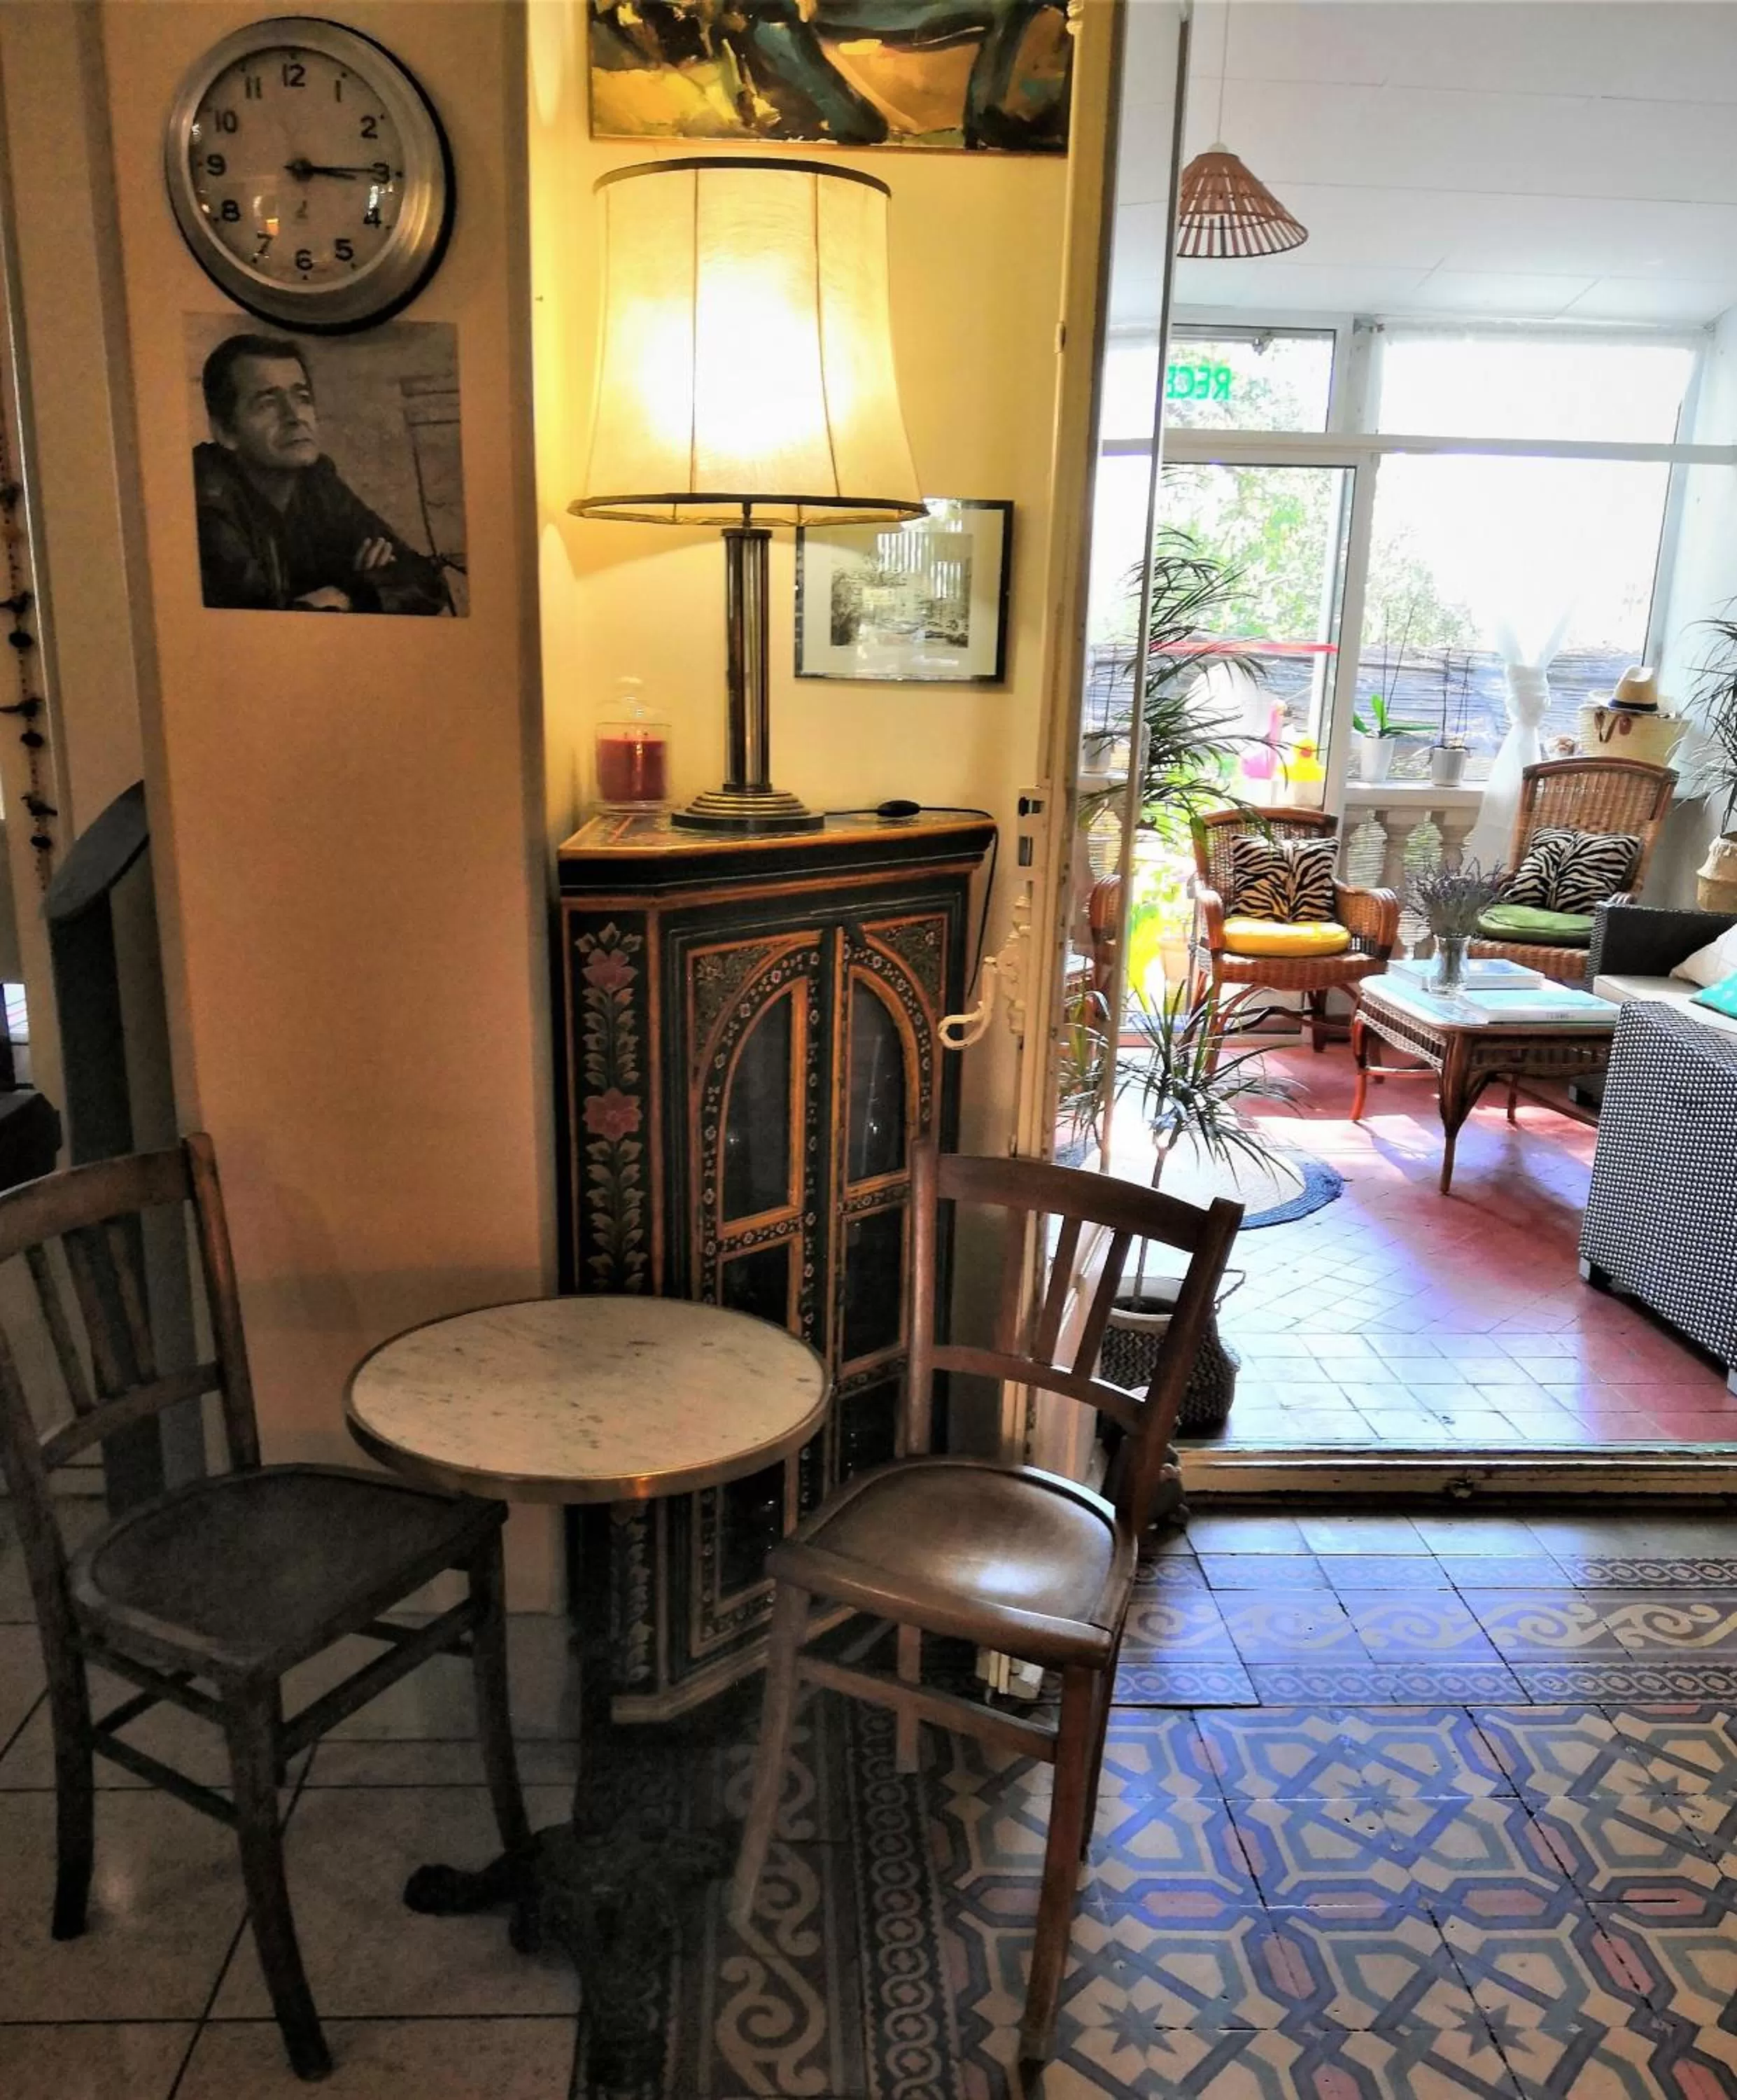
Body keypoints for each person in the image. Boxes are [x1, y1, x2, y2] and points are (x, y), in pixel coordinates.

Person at [192, 333, 448, 615]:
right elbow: (261, 623)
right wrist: (366, 585)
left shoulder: (317, 481)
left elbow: (426, 582)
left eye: (302, 398)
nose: (294, 416)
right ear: (225, 432)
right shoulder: (204, 497)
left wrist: (350, 594)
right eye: (267, 403)